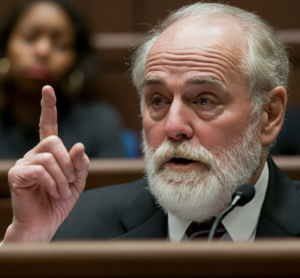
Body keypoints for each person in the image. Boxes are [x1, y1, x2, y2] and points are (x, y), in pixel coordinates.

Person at [2, 2, 300, 244]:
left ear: (269, 115)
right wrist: (26, 247)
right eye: (158, 101)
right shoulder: (75, 226)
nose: (173, 126)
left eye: (204, 100)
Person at [0, 0, 124, 158]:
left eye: (60, 44)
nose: (42, 51)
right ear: (5, 46)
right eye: (29, 38)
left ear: (76, 61)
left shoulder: (100, 123)